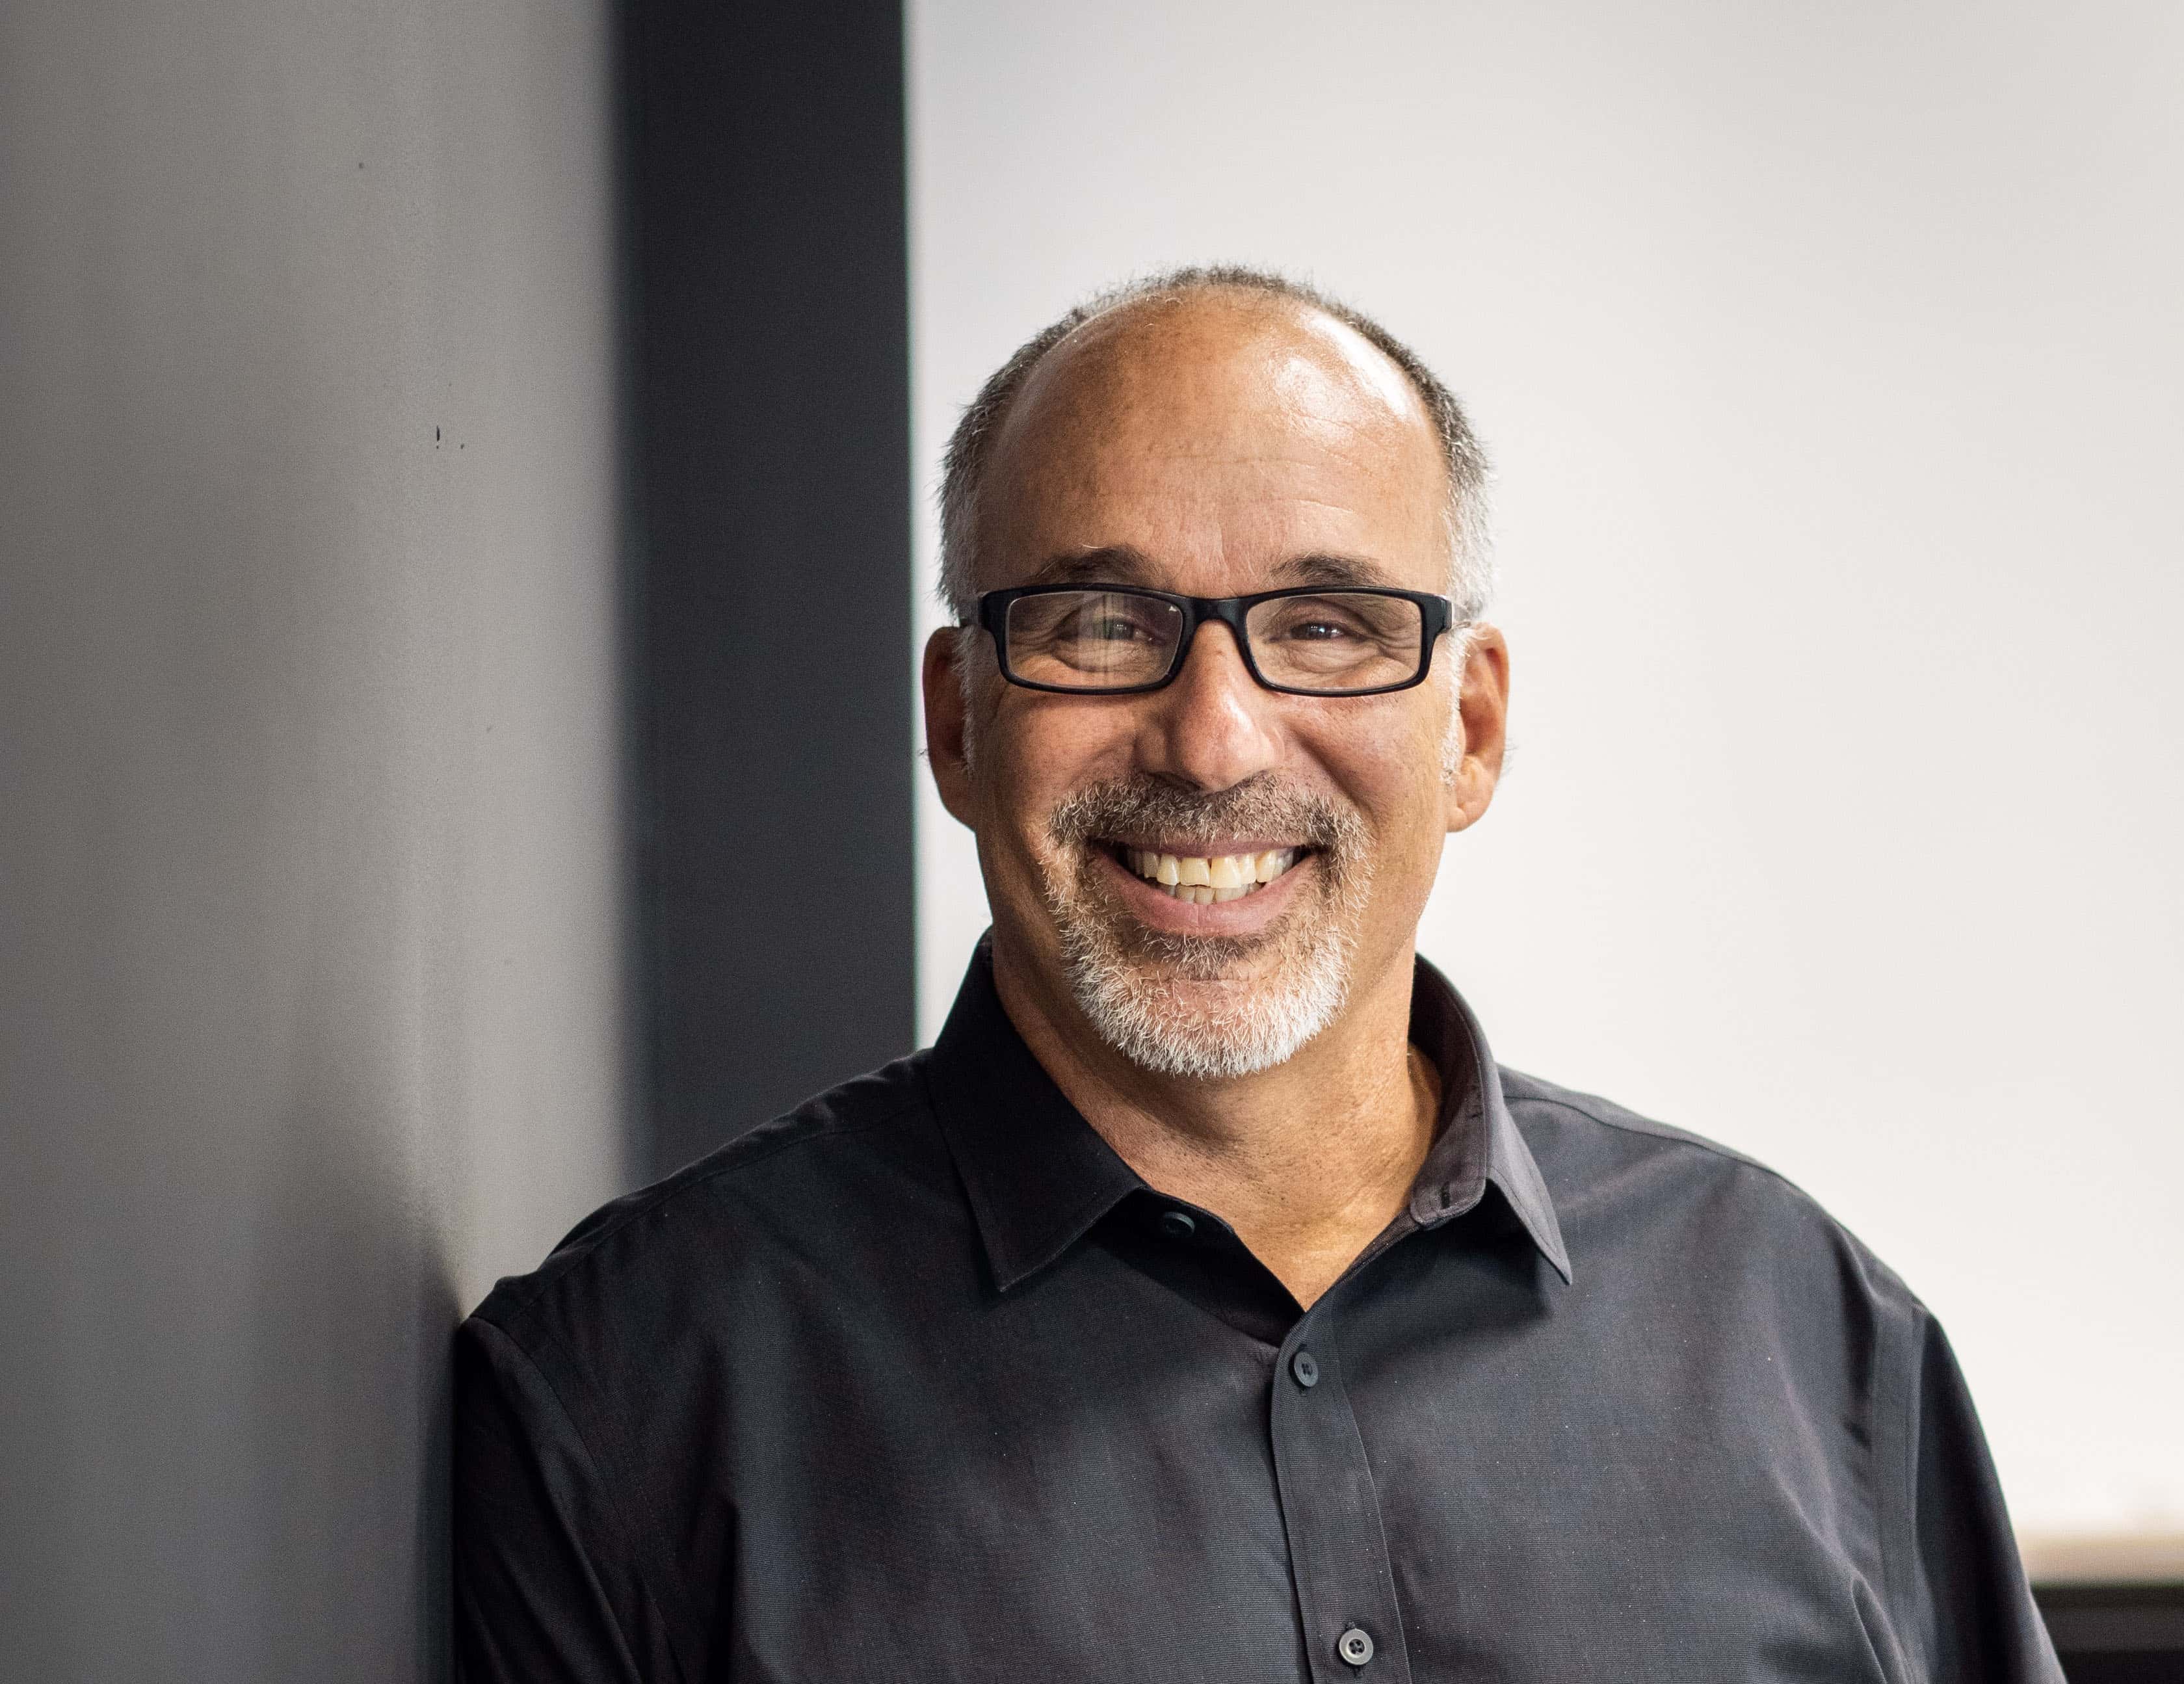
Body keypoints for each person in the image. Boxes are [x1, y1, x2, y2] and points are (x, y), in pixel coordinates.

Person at [452, 266, 2064, 1683]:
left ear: (1471, 728)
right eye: (1098, 619)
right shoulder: (623, 1399)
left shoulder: (1806, 1336)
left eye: (1330, 623)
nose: (1215, 736)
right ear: (957, 719)